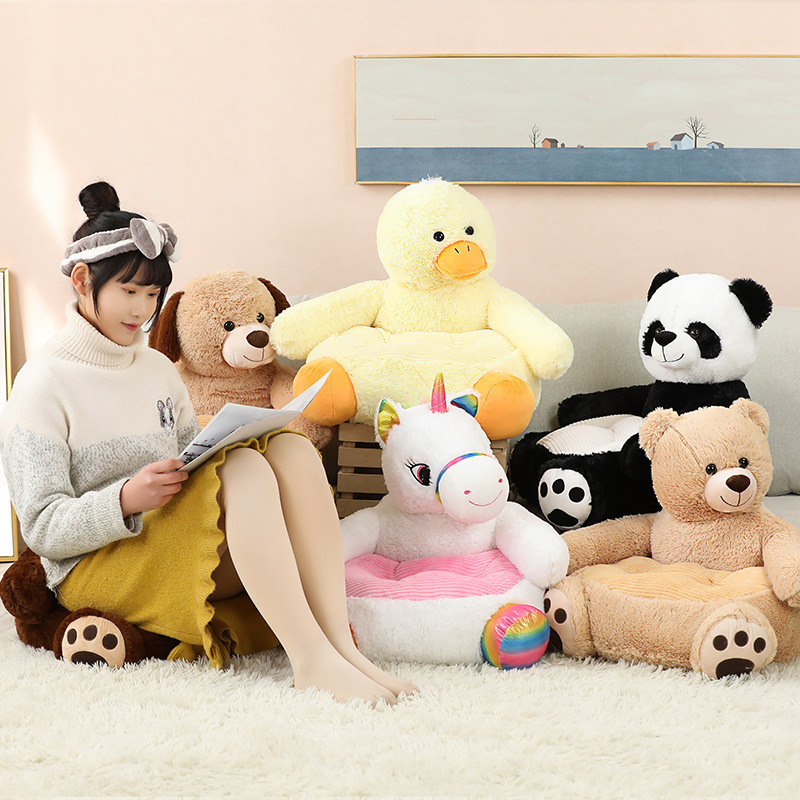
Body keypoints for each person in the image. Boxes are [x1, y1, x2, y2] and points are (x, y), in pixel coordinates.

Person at [0, 181, 415, 705]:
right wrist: (124, 499)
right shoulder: (41, 384)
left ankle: (339, 646)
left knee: (289, 447)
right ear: (82, 280)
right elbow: (41, 528)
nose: (141, 309)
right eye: (129, 291)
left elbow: (192, 459)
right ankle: (309, 658)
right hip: (95, 565)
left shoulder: (156, 369)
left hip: (170, 539)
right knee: (243, 470)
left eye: (152, 295)